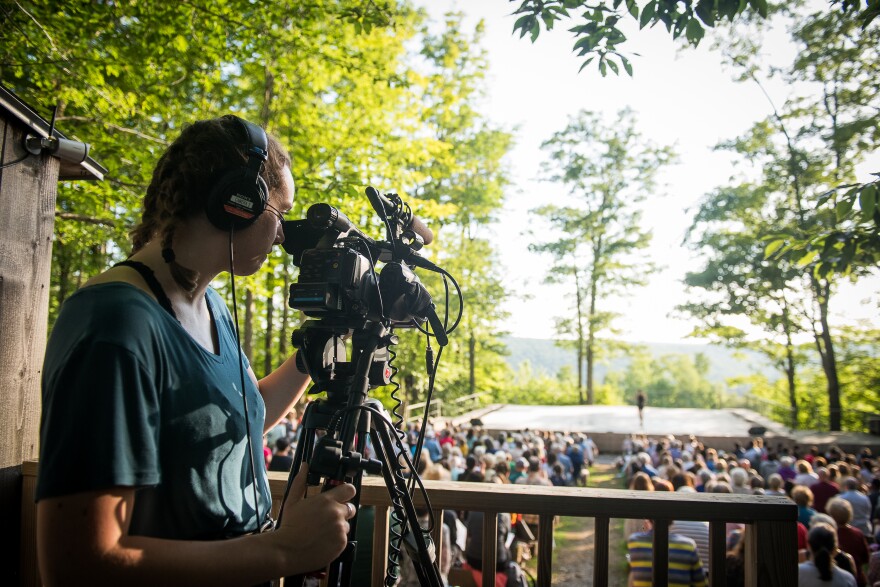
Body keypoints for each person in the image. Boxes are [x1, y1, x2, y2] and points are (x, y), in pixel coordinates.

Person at [35, 116, 357, 585]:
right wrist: (283, 550)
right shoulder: (115, 324)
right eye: (279, 213)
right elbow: (80, 565)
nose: (284, 233)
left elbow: (239, 412)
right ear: (236, 203)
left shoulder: (212, 308)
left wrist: (311, 356)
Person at [626, 519, 708, 587]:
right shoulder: (689, 544)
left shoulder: (634, 540)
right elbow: (701, 583)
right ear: (672, 521)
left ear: (647, 520)